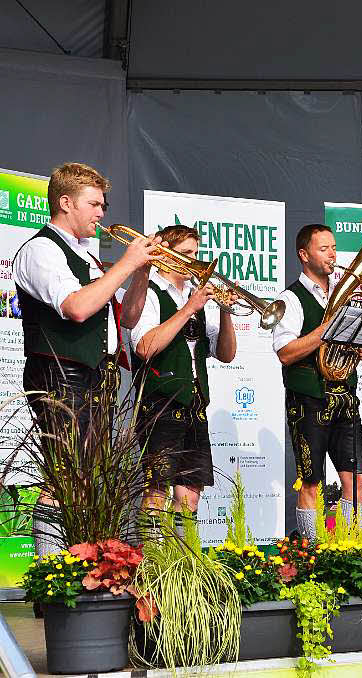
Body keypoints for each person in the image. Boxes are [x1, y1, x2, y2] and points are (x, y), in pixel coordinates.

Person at [13, 162, 160, 555]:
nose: (102, 213)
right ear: (65, 202)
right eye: (94, 204)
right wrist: (126, 263)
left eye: (103, 204)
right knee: (62, 479)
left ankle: (76, 567)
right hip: (60, 374)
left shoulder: (87, 257)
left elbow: (126, 318)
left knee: (81, 479)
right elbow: (76, 308)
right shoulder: (41, 250)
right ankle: (53, 575)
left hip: (94, 376)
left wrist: (141, 274)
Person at [130, 225, 238, 536]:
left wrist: (226, 312)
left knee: (190, 493)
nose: (195, 260)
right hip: (160, 403)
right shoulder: (149, 294)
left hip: (195, 403)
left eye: (196, 253)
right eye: (187, 253)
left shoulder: (197, 296)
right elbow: (145, 347)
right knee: (157, 490)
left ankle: (182, 567)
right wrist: (188, 309)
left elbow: (226, 355)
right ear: (165, 255)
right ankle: (153, 564)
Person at [273, 224, 362, 540]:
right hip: (309, 400)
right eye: (323, 249)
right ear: (304, 255)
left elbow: (344, 345)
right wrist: (326, 330)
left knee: (357, 480)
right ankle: (312, 554)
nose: (332, 254)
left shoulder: (342, 295)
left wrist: (359, 347)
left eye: (333, 247)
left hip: (345, 396)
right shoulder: (291, 298)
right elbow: (286, 353)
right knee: (311, 481)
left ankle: (350, 548)